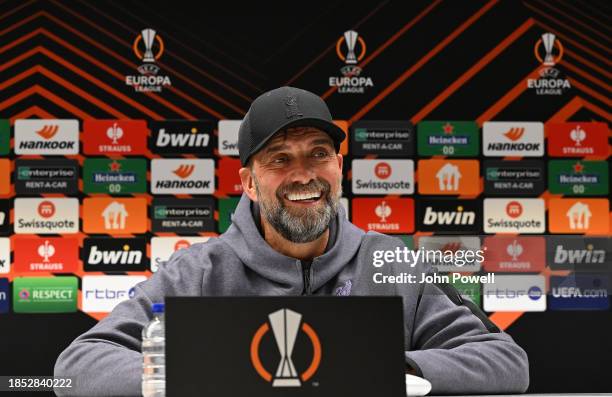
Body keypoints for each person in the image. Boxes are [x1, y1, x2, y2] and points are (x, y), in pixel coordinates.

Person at [54, 86, 529, 396]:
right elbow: (78, 366)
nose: (303, 175)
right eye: (279, 159)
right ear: (248, 182)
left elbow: (506, 361)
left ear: (339, 169)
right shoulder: (196, 272)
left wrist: (394, 367)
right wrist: (191, 372)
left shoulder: (392, 262)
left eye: (318, 154)